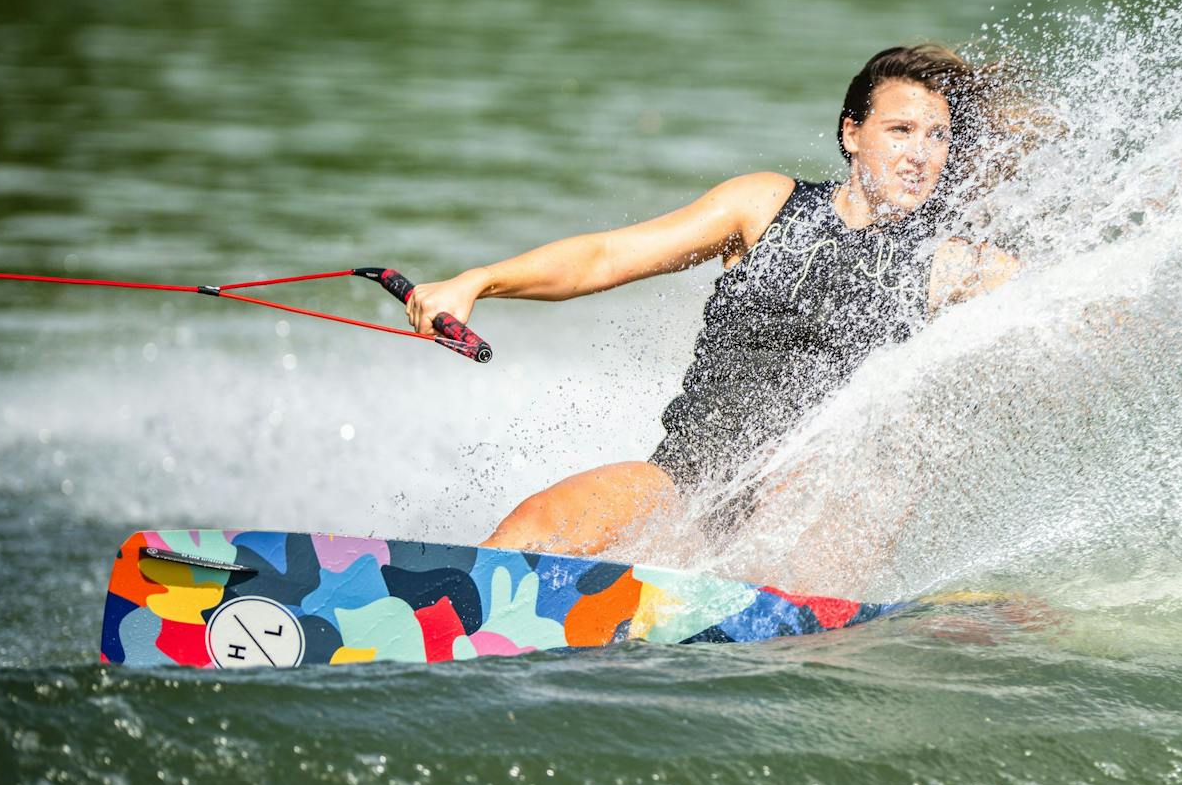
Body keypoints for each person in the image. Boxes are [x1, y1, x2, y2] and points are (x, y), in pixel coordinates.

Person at [404, 44, 1021, 557]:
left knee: (836, 494)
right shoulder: (764, 206)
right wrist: (476, 282)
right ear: (852, 133)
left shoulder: (954, 264)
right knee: (534, 528)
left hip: (818, 506)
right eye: (901, 130)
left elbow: (1073, 307)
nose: (918, 154)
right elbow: (604, 258)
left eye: (937, 136)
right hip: (689, 478)